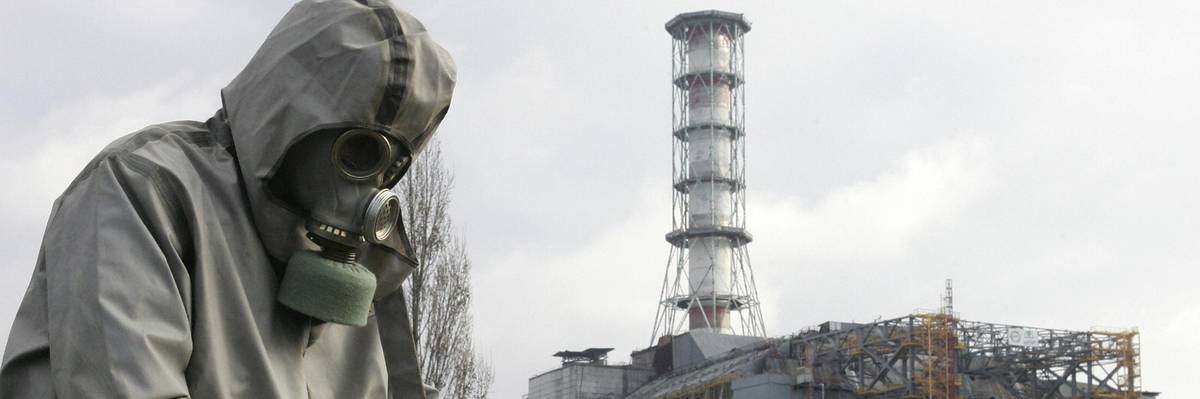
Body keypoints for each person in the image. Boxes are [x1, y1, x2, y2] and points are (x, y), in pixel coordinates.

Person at [0, 0, 455, 397]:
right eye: (357, 151)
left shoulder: (368, 267)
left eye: (393, 162)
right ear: (291, 119)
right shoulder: (145, 188)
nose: (369, 187)